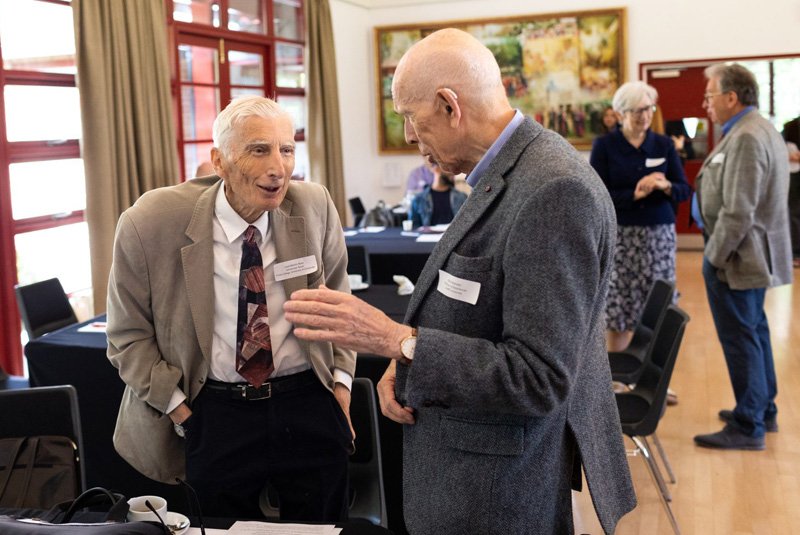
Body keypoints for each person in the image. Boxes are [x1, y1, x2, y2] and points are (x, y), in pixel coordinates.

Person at [284, 28, 635, 535]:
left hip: (497, 490)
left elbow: (538, 376)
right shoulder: (510, 172)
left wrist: (397, 341)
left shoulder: (553, 192)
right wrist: (402, 367)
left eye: (410, 115)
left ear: (450, 105)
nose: (407, 134)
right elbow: (476, 313)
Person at [106, 95, 356, 520]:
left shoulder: (314, 206)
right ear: (219, 161)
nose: (278, 167)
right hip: (214, 411)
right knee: (219, 531)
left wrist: (341, 388)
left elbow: (339, 302)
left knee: (323, 529)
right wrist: (182, 410)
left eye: (287, 148)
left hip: (307, 401)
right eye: (259, 150)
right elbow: (126, 336)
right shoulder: (150, 221)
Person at [692, 64, 792, 451]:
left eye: (710, 96)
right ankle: (762, 410)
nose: (705, 105)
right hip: (749, 255)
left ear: (732, 98)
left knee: (741, 337)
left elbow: (739, 210)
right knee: (755, 331)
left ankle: (749, 424)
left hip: (736, 257)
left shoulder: (748, 136)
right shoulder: (756, 128)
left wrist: (713, 257)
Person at [590, 82, 691, 354]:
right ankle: (619, 380)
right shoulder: (605, 145)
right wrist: (633, 195)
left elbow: (683, 189)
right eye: (637, 111)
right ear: (621, 113)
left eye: (648, 109)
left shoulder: (664, 144)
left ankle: (652, 379)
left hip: (659, 235)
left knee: (658, 304)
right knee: (619, 303)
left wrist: (664, 185)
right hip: (622, 234)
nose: (645, 116)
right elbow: (598, 194)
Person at [407, 162, 467, 228]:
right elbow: (413, 228)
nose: (453, 172)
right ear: (436, 169)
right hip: (427, 237)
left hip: (454, 237)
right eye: (448, 168)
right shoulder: (418, 199)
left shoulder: (462, 197)